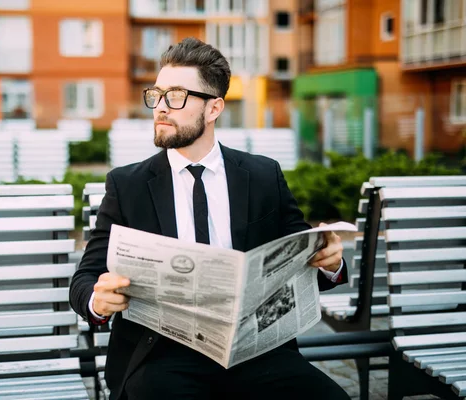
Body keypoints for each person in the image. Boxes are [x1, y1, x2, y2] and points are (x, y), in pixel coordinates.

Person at [70, 37, 350, 400]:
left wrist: (331, 262)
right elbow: (85, 278)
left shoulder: (263, 175)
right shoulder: (128, 185)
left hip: (255, 352)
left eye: (175, 96)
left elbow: (304, 259)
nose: (160, 108)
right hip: (163, 357)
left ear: (214, 108)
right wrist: (98, 300)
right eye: (156, 95)